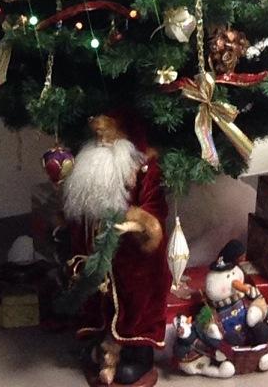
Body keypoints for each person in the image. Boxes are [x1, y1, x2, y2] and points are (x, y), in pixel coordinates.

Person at [63, 112, 171, 385]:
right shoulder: (89, 163)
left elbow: (154, 209)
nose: (101, 141)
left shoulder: (143, 166)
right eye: (97, 136)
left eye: (107, 135)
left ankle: (136, 353)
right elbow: (80, 208)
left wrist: (139, 223)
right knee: (97, 298)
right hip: (98, 251)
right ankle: (100, 345)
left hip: (132, 253)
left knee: (135, 299)